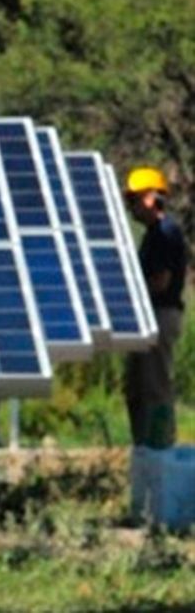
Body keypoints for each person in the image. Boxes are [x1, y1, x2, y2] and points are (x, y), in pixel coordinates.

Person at [122, 166, 187, 449]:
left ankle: (160, 449)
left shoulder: (165, 233)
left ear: (150, 199)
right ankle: (143, 448)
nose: (130, 208)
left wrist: (125, 295)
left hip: (160, 316)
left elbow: (160, 282)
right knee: (136, 388)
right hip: (148, 315)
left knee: (154, 387)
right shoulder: (153, 234)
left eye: (133, 200)